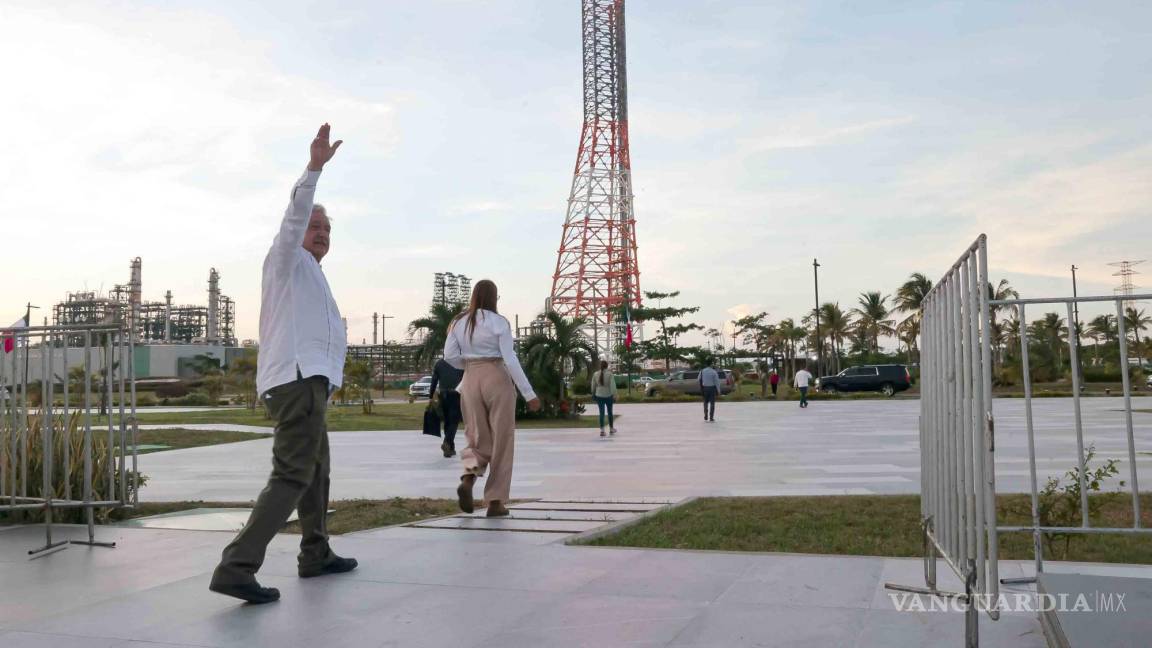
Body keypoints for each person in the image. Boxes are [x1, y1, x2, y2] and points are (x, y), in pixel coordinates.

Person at [210, 124, 354, 605]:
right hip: (295, 382)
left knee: (318, 471)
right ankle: (237, 566)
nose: (321, 235)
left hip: (311, 384)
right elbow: (294, 217)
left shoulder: (313, 275)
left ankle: (316, 553)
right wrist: (314, 168)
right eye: (316, 227)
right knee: (293, 474)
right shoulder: (286, 258)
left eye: (328, 230)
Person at [444, 280, 540, 517]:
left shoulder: (458, 322)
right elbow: (510, 358)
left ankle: (468, 479)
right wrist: (529, 394)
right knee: (502, 440)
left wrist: (470, 365)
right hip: (496, 377)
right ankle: (495, 502)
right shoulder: (499, 322)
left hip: (470, 378)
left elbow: (449, 356)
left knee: (475, 436)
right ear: (495, 298)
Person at [427, 358, 465, 457]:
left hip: (442, 394)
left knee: (447, 421)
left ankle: (450, 449)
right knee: (454, 421)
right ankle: (447, 442)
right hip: (456, 394)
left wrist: (430, 396)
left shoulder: (439, 363)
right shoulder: (461, 362)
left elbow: (434, 380)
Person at [591, 359, 618, 437]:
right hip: (608, 395)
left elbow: (593, 386)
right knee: (610, 412)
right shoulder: (610, 374)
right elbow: (612, 386)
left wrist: (593, 393)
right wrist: (615, 394)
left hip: (599, 395)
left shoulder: (595, 374)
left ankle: (602, 430)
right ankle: (611, 429)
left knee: (601, 413)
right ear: (607, 366)